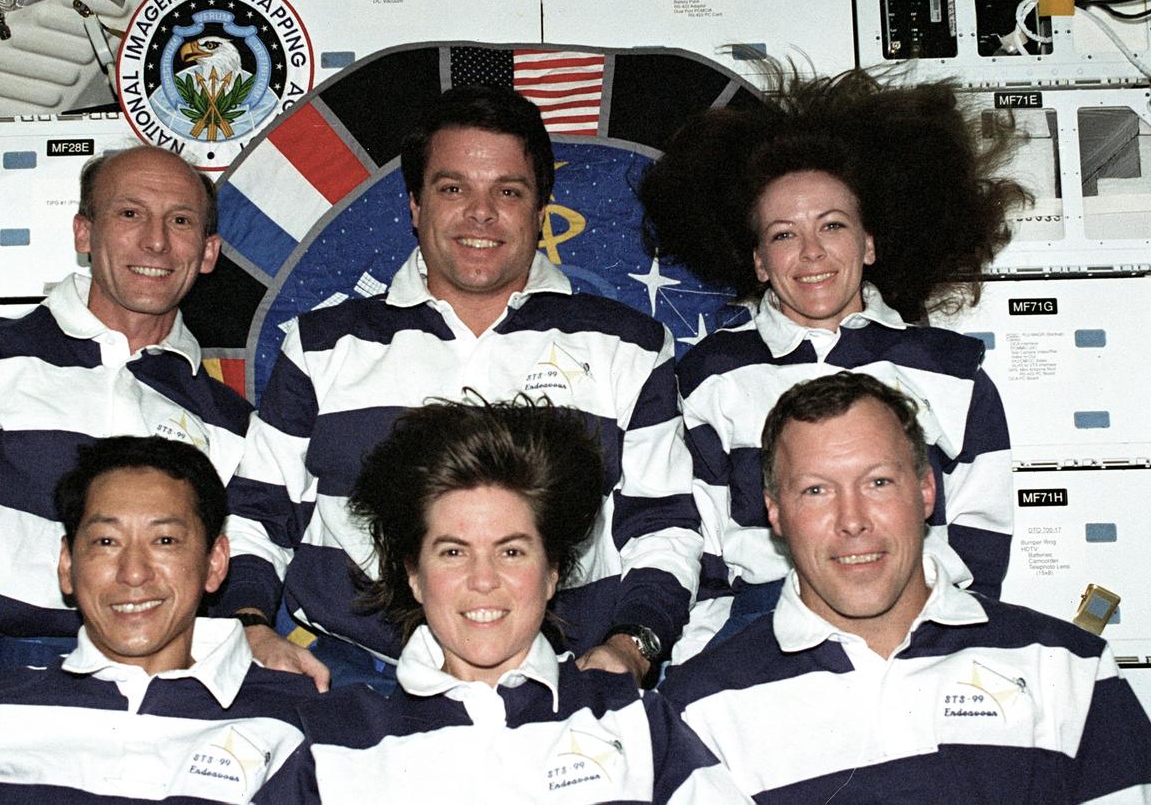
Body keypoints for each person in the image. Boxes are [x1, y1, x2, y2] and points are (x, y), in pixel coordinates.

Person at [220, 84, 699, 688]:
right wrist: (248, 626)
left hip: (565, 679)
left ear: (540, 207)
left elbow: (663, 527)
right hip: (348, 677)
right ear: (416, 206)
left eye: (508, 191)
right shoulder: (322, 346)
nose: (481, 212)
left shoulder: (628, 346)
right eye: (453, 189)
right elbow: (257, 514)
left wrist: (633, 645)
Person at [637, 68, 1028, 657]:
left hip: (920, 636)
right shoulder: (708, 377)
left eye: (833, 226)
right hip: (758, 639)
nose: (812, 252)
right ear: (761, 262)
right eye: (785, 235)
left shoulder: (952, 371)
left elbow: (981, 543)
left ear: (868, 244)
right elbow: (700, 544)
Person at [0, 145, 257, 709]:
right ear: (83, 232)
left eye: (181, 221)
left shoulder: (232, 422)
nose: (156, 241)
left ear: (207, 252)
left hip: (165, 696)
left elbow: (233, 567)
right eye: (130, 214)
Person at [658, 373, 1151, 803]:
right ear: (774, 513)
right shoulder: (698, 711)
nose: (852, 522)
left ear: (926, 491)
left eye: (878, 483)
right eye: (816, 490)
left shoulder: (1069, 669)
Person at [292, 399, 750, 804]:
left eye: (511, 551)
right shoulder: (333, 739)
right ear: (414, 575)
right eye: (453, 552)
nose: (483, 579)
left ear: (552, 572)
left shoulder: (631, 719)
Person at [0, 436, 318, 804]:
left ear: (216, 562)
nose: (133, 573)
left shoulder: (292, 723)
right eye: (106, 541)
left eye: (165, 540)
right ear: (67, 565)